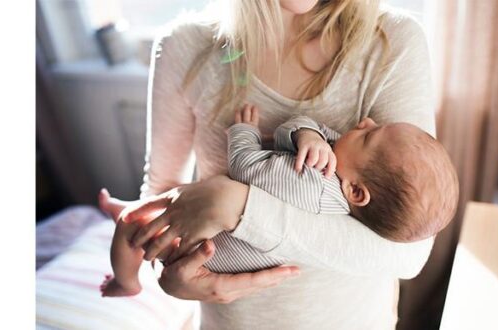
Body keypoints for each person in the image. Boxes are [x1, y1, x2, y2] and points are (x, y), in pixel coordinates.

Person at [103, 0, 450, 328]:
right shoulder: (186, 47)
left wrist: (236, 207)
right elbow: (158, 201)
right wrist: (170, 280)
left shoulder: (391, 43)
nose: (365, 126)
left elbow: (409, 254)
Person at [99, 104, 457, 296]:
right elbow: (298, 132)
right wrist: (308, 134)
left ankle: (126, 282)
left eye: (369, 135)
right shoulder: (339, 177)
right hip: (204, 236)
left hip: (191, 247)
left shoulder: (312, 186)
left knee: (130, 224)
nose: (365, 121)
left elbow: (245, 171)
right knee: (149, 210)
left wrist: (244, 133)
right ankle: (134, 210)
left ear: (356, 193)